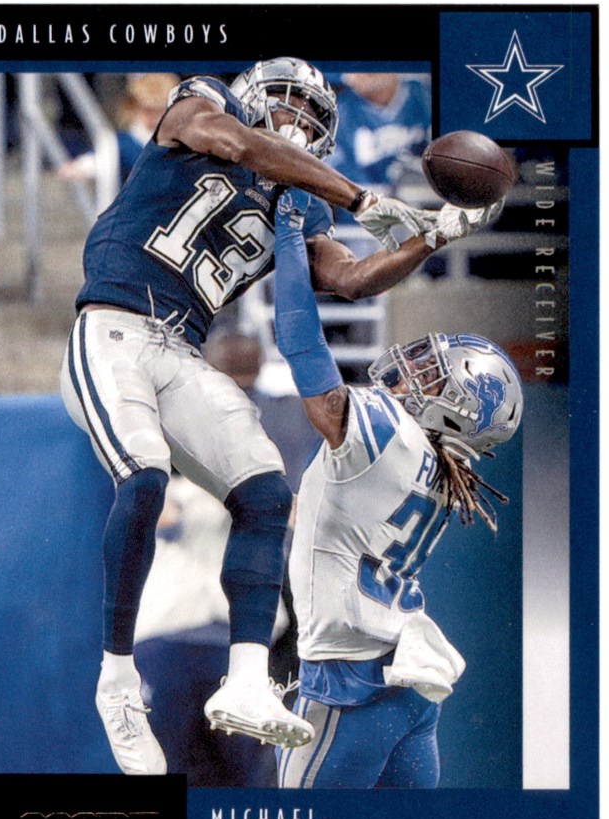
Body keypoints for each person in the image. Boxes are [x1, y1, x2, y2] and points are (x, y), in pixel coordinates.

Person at [60, 55, 504, 776]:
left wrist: (435, 234)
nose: (293, 122)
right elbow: (234, 142)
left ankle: (246, 678)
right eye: (285, 105)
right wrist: (361, 198)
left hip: (181, 347)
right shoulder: (201, 106)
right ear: (252, 97)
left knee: (265, 492)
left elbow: (351, 279)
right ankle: (116, 681)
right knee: (143, 477)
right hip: (111, 324)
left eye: (308, 117)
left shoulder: (296, 202)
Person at [271, 188, 523, 789]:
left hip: (347, 688)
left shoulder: (388, 434)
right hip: (408, 691)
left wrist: (287, 239)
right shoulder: (448, 467)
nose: (413, 374)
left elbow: (300, 342)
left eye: (433, 379)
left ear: (455, 412)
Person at [57, 73, 180, 186]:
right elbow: (102, 159)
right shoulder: (124, 143)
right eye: (147, 111)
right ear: (135, 108)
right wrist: (81, 167)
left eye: (159, 111)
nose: (153, 118)